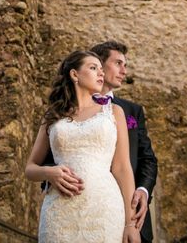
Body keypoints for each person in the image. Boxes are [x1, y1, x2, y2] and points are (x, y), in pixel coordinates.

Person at [42, 41, 158, 242]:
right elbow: (49, 156)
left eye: (125, 64)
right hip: (64, 205)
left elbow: (145, 159)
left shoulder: (127, 111)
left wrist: (142, 191)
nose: (124, 70)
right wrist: (52, 176)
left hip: (114, 208)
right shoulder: (59, 113)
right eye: (118, 63)